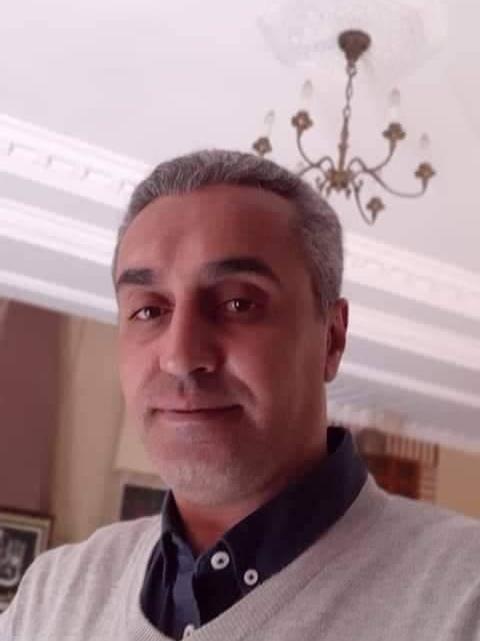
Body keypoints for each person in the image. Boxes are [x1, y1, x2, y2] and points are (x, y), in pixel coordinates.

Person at [1, 150, 479, 641]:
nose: (180, 356)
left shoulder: (464, 600)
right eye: (149, 311)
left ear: (331, 339)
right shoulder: (51, 595)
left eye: (238, 303)